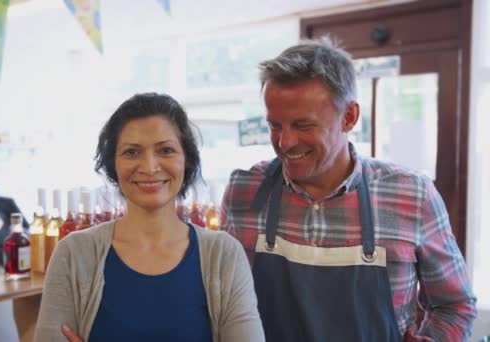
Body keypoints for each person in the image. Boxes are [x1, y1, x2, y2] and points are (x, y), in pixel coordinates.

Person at [220, 38, 477, 341]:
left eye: (303, 125)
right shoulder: (244, 192)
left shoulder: (412, 196)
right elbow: (222, 302)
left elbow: (455, 304)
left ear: (350, 117)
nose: (285, 142)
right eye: (275, 125)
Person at [34, 93, 264, 342]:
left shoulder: (224, 255)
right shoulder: (73, 253)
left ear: (186, 160)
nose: (149, 167)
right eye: (132, 152)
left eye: (166, 150)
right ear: (114, 164)